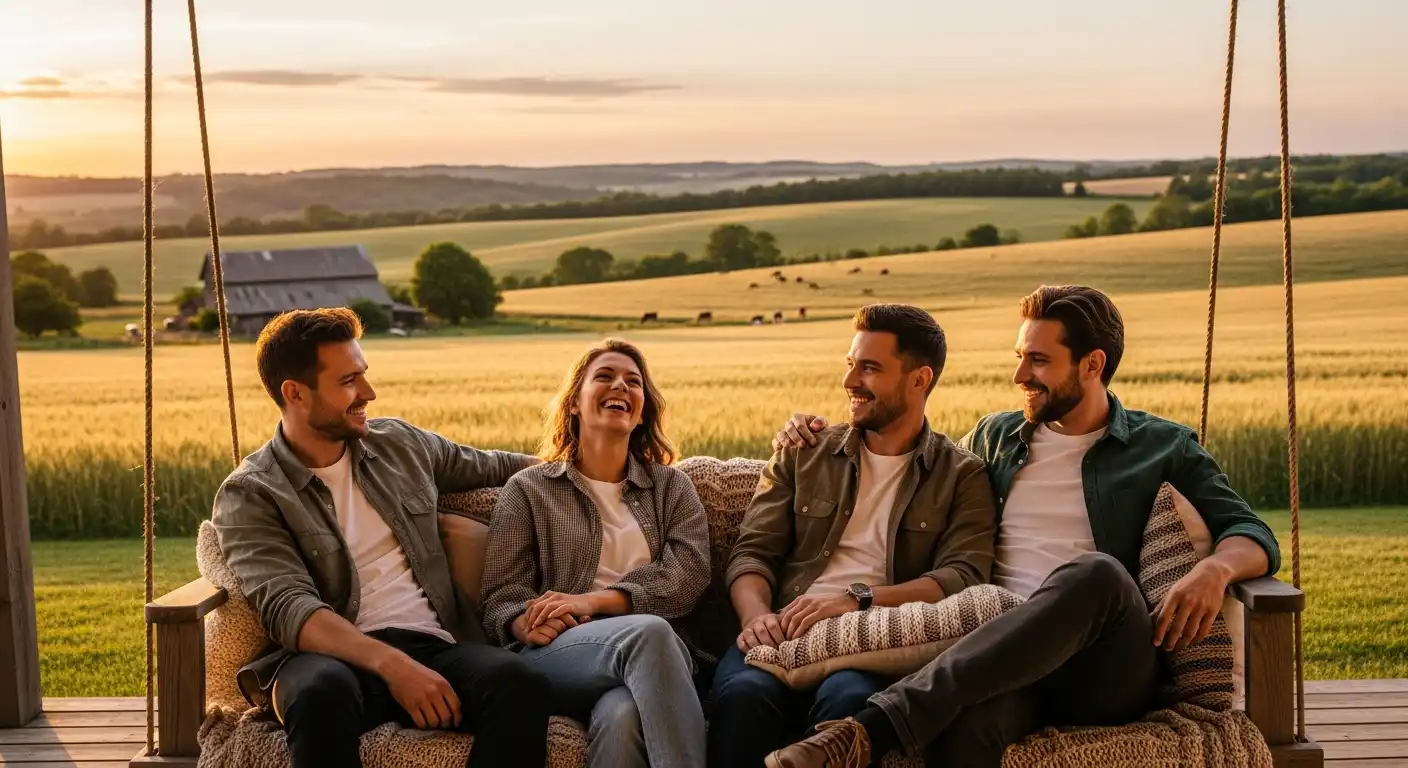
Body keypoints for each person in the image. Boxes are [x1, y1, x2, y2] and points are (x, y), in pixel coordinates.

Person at [764, 285, 1283, 768]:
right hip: (1002, 660)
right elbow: (913, 467)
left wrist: (1215, 570)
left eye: (1038, 360)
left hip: (1103, 663)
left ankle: (870, 730)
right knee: (964, 731)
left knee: (1095, 573)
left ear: (1092, 364)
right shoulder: (995, 438)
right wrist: (815, 434)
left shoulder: (1162, 446)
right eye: (1020, 357)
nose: (1019, 376)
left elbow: (1250, 531)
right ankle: (877, 730)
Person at [210, 308, 551, 768]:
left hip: (432, 645)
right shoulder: (251, 493)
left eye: (363, 374)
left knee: (518, 683)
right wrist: (395, 667)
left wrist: (597, 463)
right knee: (319, 694)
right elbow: (291, 609)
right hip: (325, 659)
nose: (368, 392)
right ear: (295, 393)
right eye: (349, 381)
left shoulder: (400, 445)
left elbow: (503, 466)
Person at [708, 304, 998, 768]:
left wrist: (857, 599)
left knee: (847, 700)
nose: (850, 381)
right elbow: (752, 553)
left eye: (870, 368)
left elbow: (962, 577)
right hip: (782, 632)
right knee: (744, 695)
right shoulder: (804, 452)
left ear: (919, 380)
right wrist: (756, 617)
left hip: (874, 642)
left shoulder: (961, 474)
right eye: (850, 364)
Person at [478, 339, 711, 768]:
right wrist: (523, 623)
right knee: (650, 633)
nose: (620, 385)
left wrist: (593, 601)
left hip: (660, 660)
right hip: (562, 653)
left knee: (621, 716)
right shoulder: (528, 490)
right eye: (604, 376)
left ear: (641, 412)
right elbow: (501, 595)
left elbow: (688, 578)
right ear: (574, 403)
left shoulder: (672, 488)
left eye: (633, 382)